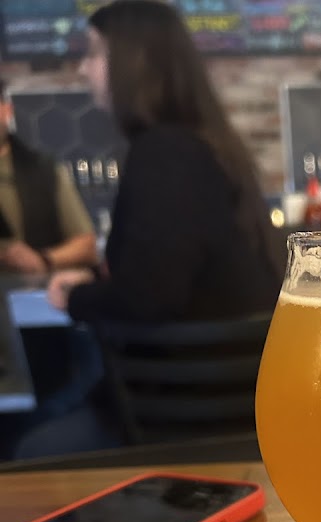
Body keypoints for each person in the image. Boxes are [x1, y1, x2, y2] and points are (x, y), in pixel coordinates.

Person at [48, 0, 281, 322]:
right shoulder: (203, 143)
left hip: (197, 353)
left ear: (136, 60)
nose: (82, 68)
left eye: (94, 53)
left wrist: (74, 297)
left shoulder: (167, 153)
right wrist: (98, 280)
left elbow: (148, 298)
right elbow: (174, 269)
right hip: (234, 349)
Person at [0, 79, 98, 274]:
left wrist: (44, 259)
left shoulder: (42, 170)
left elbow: (87, 246)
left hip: (31, 289)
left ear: (7, 110)